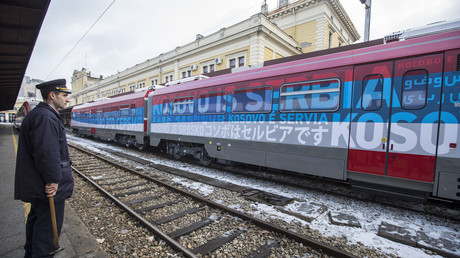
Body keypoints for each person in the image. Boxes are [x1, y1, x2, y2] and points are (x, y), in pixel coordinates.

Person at [14, 79, 74, 257]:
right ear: (52, 95)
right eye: (64, 95)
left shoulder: (40, 114)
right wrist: (53, 181)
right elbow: (47, 153)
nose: (67, 100)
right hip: (46, 187)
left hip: (37, 184)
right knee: (47, 233)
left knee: (36, 221)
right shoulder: (46, 117)